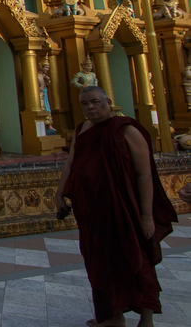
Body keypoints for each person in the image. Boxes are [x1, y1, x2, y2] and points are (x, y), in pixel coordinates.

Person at [56, 86, 176, 327]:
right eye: (85, 103)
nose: (90, 107)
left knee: (134, 258)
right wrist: (59, 194)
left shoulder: (126, 129)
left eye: (95, 102)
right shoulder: (81, 130)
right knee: (99, 262)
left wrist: (146, 216)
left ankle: (147, 317)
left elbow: (144, 174)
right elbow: (70, 164)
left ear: (108, 102)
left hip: (122, 208)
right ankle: (112, 316)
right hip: (91, 210)